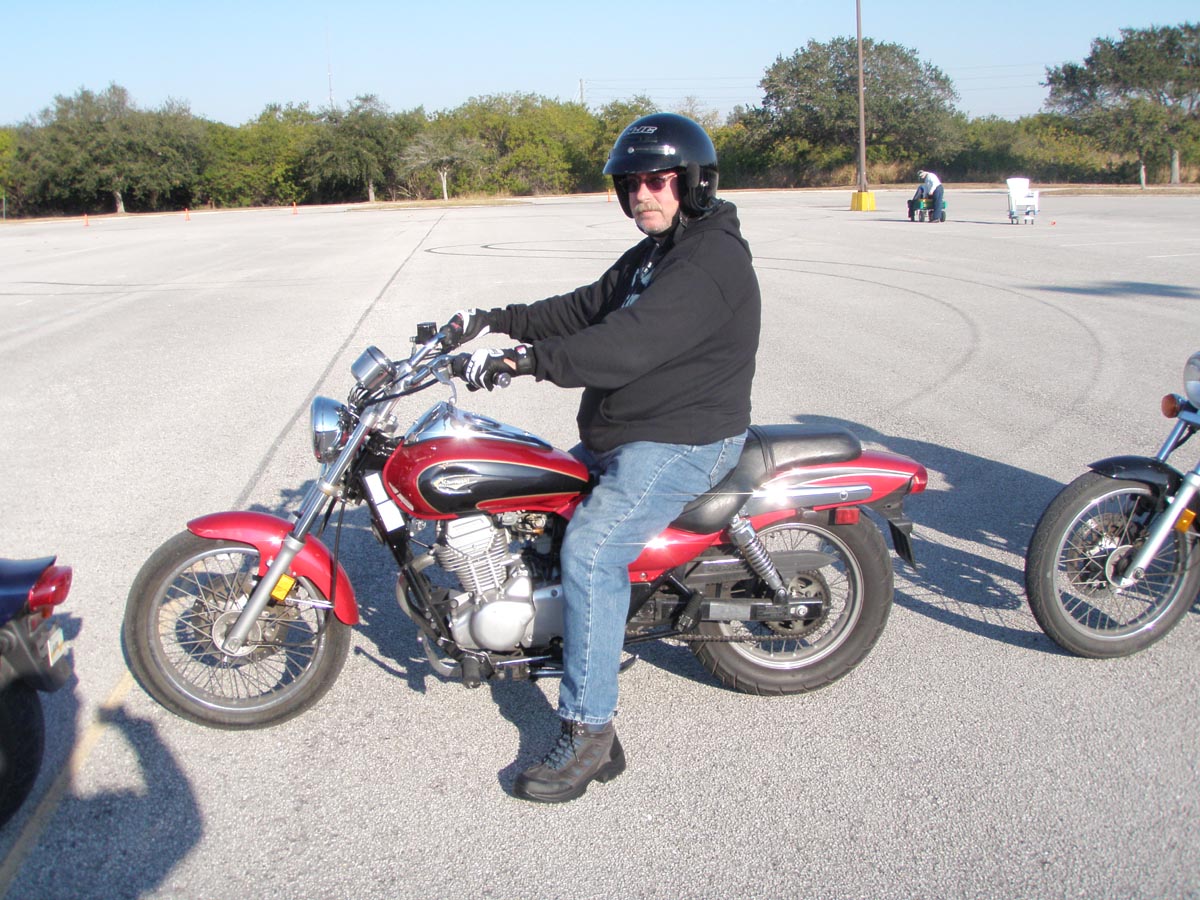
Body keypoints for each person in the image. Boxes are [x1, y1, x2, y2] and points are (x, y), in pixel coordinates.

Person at [441, 113, 760, 803]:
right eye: (632, 183)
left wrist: (525, 362)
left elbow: (626, 344)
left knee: (590, 551)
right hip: (633, 429)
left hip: (683, 439)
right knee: (533, 507)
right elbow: (586, 307)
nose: (643, 193)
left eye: (658, 180)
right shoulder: (657, 252)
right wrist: (494, 320)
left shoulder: (710, 260)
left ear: (694, 183)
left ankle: (589, 731)